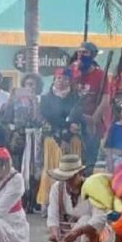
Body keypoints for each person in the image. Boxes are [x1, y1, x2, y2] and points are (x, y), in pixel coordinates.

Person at [46, 154, 107, 242]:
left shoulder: (94, 188)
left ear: (80, 174)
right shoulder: (57, 188)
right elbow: (52, 214)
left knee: (85, 219)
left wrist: (79, 231)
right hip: (67, 233)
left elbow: (100, 218)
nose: (67, 181)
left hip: (92, 232)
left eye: (71, 177)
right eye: (65, 178)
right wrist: (54, 232)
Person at [37, 68, 82, 208]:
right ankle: (50, 202)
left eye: (66, 79)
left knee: (72, 170)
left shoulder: (76, 98)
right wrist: (66, 128)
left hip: (72, 139)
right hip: (53, 139)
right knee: (52, 168)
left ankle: (73, 201)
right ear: (54, 80)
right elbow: (50, 118)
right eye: (59, 78)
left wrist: (67, 134)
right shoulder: (45, 99)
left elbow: (76, 117)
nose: (62, 81)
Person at [70, 42, 110, 174]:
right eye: (79, 52)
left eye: (85, 52)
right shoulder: (73, 72)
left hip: (93, 124)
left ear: (92, 56)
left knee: (89, 163)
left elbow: (105, 100)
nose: (81, 55)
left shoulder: (100, 75)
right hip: (75, 123)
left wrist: (93, 119)